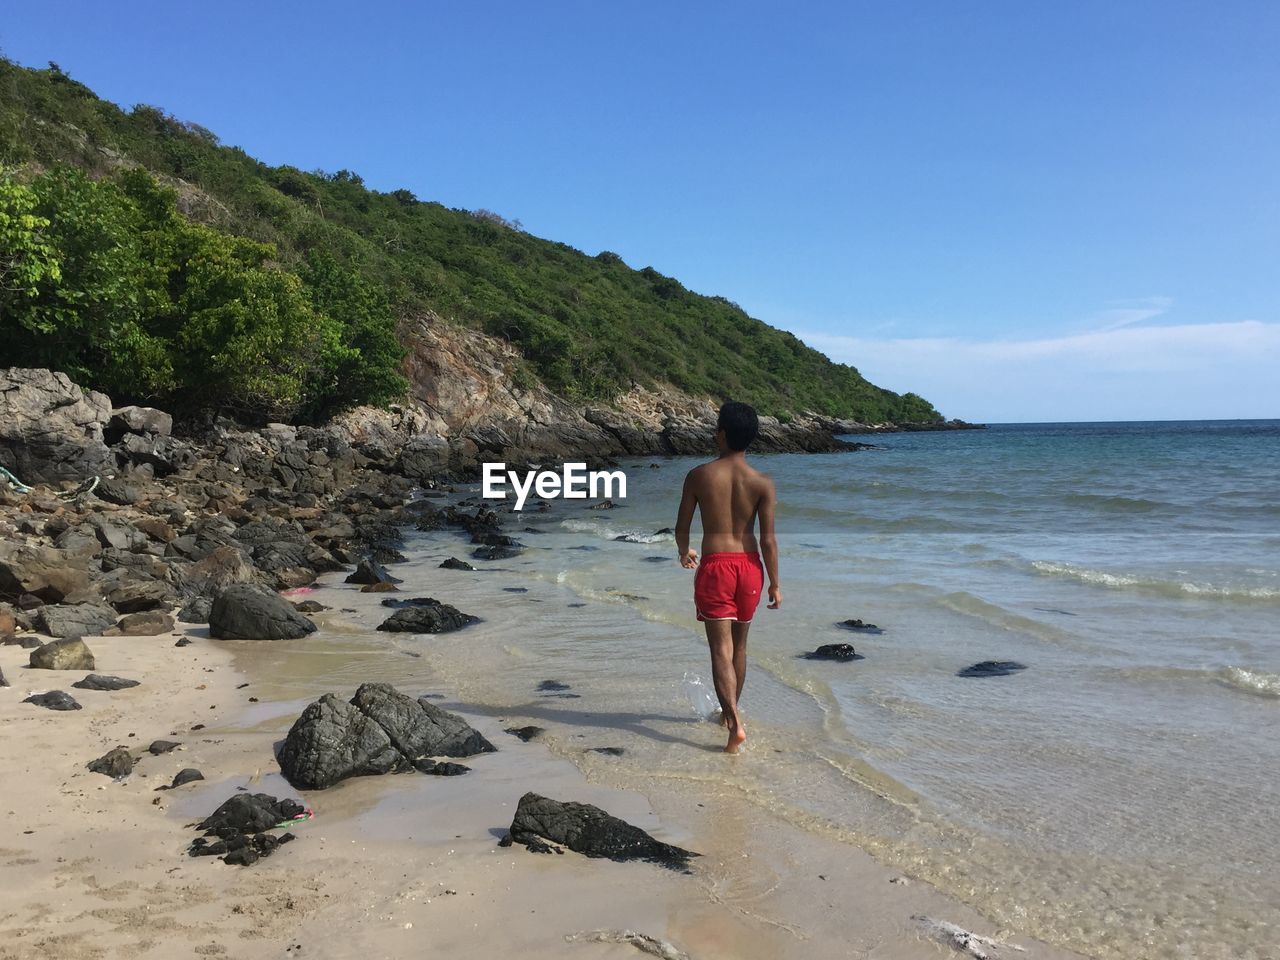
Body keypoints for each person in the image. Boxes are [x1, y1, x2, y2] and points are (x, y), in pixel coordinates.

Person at [675, 401, 781, 753]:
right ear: (750, 438)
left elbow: (682, 527)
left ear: (720, 433)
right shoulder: (762, 482)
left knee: (720, 648)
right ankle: (726, 715)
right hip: (751, 567)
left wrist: (684, 551)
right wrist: (776, 583)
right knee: (740, 646)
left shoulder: (699, 475)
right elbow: (768, 539)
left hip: (717, 566)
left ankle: (734, 723)